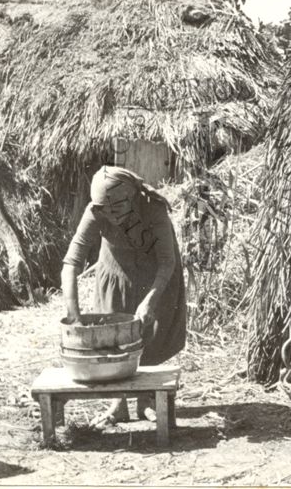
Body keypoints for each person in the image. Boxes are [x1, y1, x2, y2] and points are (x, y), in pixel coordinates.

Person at [61, 165, 186, 425]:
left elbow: (166, 261)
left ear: (130, 198)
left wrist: (150, 299)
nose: (110, 215)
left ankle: (146, 400)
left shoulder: (152, 209)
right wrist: (73, 313)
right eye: (104, 210)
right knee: (113, 338)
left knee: (149, 330)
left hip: (155, 273)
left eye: (116, 209)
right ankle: (118, 404)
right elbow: (72, 262)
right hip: (115, 272)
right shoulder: (97, 210)